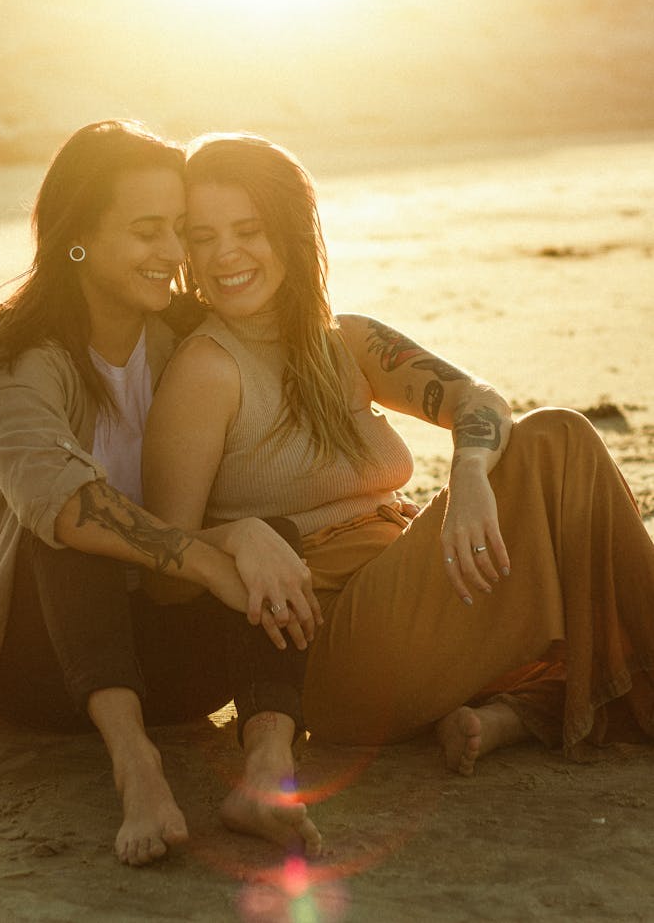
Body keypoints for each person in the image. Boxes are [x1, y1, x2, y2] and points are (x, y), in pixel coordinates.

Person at [142, 130, 654, 777]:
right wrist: (241, 535)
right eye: (203, 236)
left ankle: (508, 717)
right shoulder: (207, 369)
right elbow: (160, 562)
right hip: (335, 649)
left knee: (568, 501)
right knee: (559, 439)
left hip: (412, 597)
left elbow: (477, 398)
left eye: (248, 229)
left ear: (291, 232)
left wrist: (468, 475)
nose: (224, 255)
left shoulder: (347, 339)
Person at [0, 120, 323, 865]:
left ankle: (266, 769)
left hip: (168, 666)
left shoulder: (187, 335)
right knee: (72, 530)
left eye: (177, 230)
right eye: (147, 232)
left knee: (271, 534)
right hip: (41, 676)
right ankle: (137, 770)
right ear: (79, 237)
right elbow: (55, 495)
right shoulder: (13, 350)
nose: (175, 254)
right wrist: (211, 555)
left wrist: (250, 535)